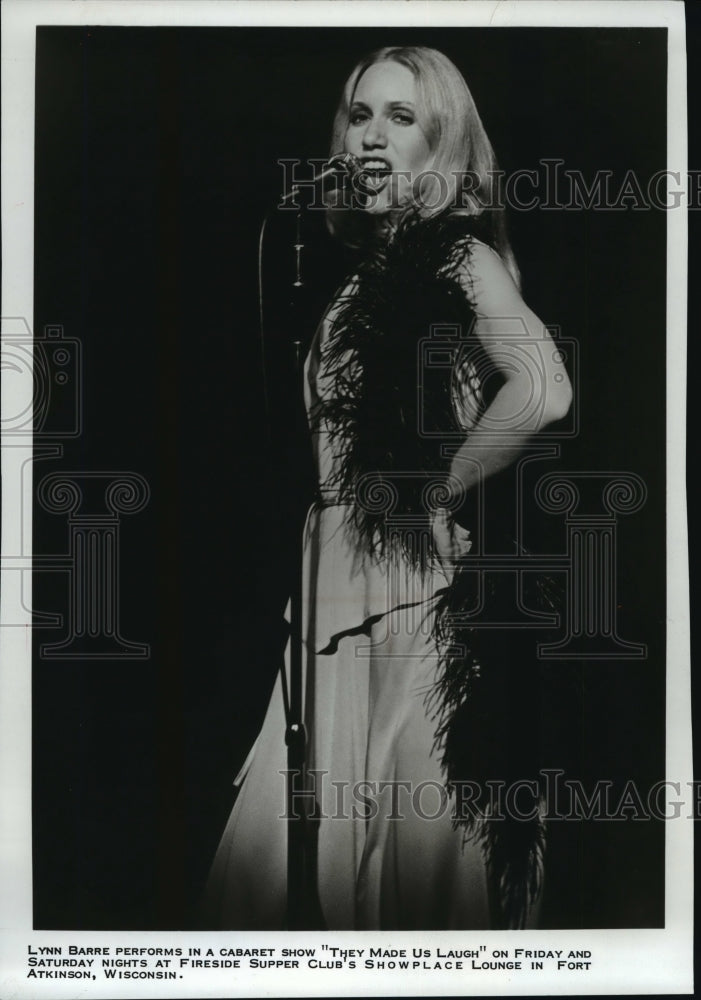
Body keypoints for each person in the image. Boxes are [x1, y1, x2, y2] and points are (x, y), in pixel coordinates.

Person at [202, 45, 572, 931]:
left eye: (400, 118)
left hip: (401, 588)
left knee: (402, 850)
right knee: (298, 849)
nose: (372, 135)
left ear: (440, 145)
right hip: (329, 579)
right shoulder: (356, 280)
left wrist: (432, 490)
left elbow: (544, 388)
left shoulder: (454, 254)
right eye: (360, 115)